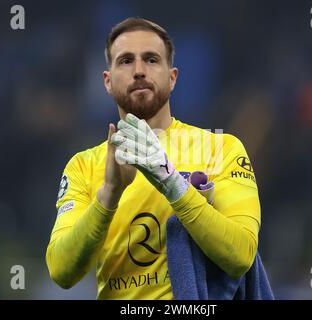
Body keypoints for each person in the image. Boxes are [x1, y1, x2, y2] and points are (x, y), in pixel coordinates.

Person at [46, 17, 262, 300]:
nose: (138, 71)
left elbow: (242, 255)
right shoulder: (84, 166)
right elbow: (61, 271)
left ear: (172, 78)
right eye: (125, 61)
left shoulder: (221, 148)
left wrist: (170, 181)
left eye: (151, 59)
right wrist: (109, 196)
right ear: (107, 82)